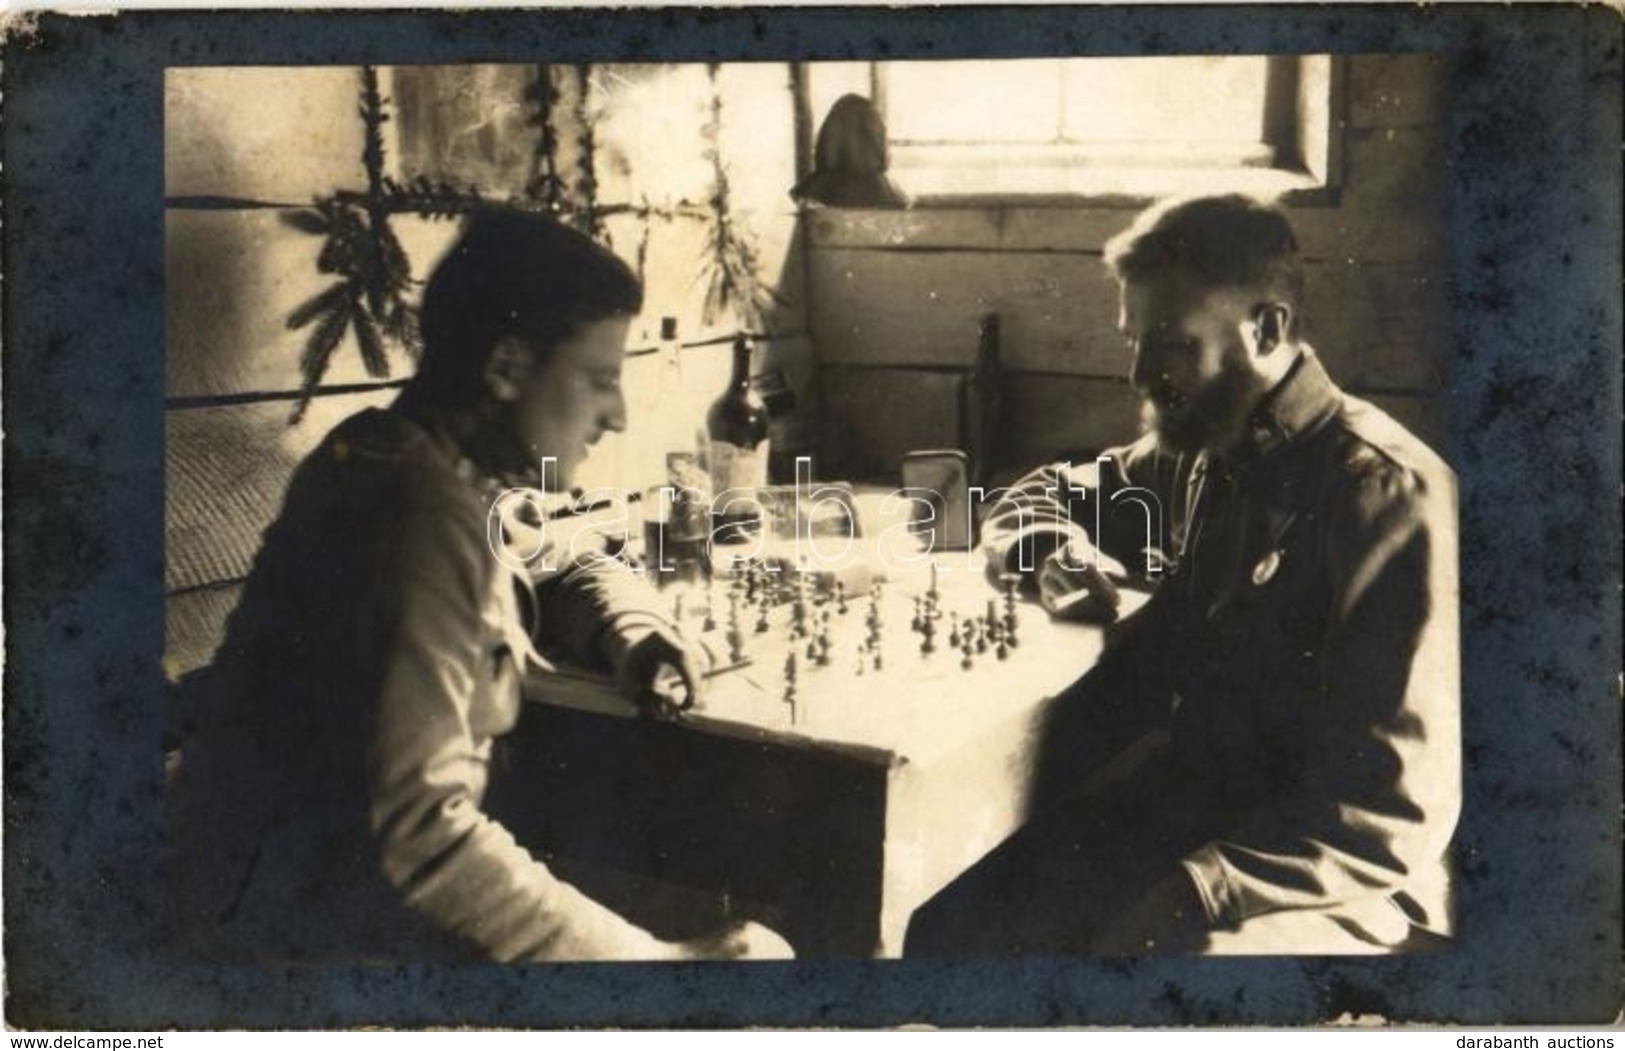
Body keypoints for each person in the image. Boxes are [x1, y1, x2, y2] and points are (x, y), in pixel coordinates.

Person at [167, 209, 794, 963]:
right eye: (599, 380)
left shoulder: (426, 462)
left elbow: (559, 561)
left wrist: (630, 631)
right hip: (288, 945)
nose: (618, 415)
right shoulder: (410, 512)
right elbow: (422, 839)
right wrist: (662, 965)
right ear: (505, 367)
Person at [907, 194, 1459, 956]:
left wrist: (1198, 890)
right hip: (1188, 813)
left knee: (1159, 972)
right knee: (944, 923)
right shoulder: (1202, 443)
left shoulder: (1382, 492)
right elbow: (1038, 492)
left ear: (1265, 328)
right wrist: (1045, 548)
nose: (1138, 374)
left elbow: (1388, 814)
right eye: (1133, 340)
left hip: (1325, 873)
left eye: (1167, 342)